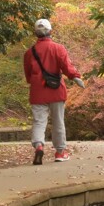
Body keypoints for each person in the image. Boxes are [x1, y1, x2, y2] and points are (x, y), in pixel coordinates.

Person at [23, 17, 84, 164]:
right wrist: (76, 77)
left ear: (36, 33)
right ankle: (60, 152)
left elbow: (28, 75)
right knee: (58, 122)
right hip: (56, 90)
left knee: (39, 122)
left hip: (38, 92)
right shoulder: (58, 48)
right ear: (50, 31)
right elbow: (66, 67)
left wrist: (36, 82)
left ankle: (38, 146)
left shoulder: (29, 52)